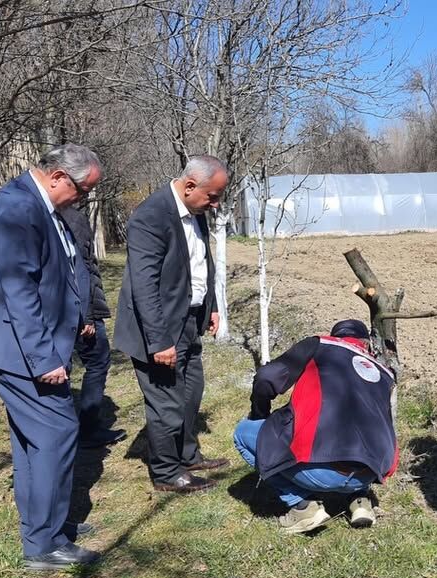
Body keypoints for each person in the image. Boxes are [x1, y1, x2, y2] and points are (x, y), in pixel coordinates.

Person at [0, 144, 103, 571]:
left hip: (31, 345)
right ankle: (44, 544)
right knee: (57, 434)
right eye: (82, 190)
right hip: (21, 350)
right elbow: (18, 291)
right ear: (58, 176)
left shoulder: (38, 206)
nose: (82, 198)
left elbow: (58, 272)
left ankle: (47, 528)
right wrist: (43, 358)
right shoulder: (16, 210)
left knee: (33, 441)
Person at [113, 155, 230, 493]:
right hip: (160, 328)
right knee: (166, 402)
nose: (215, 203)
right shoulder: (150, 217)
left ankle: (188, 455)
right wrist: (159, 341)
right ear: (190, 186)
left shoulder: (196, 211)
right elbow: (144, 287)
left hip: (190, 320)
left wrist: (211, 306)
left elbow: (198, 264)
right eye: (212, 196)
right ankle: (166, 472)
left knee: (191, 392)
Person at [233, 319, 397, 534]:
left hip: (320, 473)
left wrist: (259, 414)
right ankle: (360, 501)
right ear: (365, 344)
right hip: (370, 473)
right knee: (359, 434)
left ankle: (302, 507)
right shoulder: (385, 372)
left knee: (243, 434)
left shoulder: (321, 345)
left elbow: (266, 378)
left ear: (336, 336)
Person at [57, 203, 127, 448]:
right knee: (94, 363)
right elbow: (79, 268)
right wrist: (86, 316)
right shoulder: (71, 218)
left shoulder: (51, 214)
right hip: (79, 312)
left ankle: (73, 431)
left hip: (72, 311)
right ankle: (84, 430)